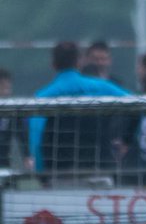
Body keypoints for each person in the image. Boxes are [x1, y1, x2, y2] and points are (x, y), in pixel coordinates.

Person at [32, 40, 132, 185]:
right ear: (79, 62)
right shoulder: (103, 88)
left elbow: (37, 138)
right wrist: (127, 140)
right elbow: (138, 105)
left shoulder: (42, 97)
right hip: (100, 169)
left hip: (60, 175)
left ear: (53, 64)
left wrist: (41, 173)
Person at [0, 68, 34, 173]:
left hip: (4, 159)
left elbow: (21, 134)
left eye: (8, 84)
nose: (7, 88)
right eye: (2, 84)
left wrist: (27, 155)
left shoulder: (13, 110)